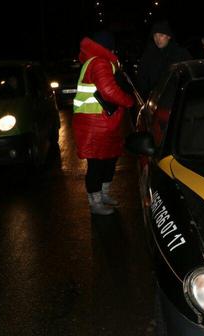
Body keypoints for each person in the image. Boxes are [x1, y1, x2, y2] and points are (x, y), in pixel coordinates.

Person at [72, 31, 135, 215]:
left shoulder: (97, 61)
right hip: (95, 124)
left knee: (109, 160)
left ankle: (104, 194)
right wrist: (128, 101)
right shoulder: (100, 62)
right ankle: (95, 203)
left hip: (103, 122)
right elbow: (108, 90)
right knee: (97, 164)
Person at [136, 20, 191, 99]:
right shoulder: (148, 55)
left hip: (175, 99)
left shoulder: (181, 54)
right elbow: (142, 78)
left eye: (161, 35)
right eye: (155, 35)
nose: (157, 39)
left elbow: (187, 78)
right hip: (153, 100)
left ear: (169, 36)